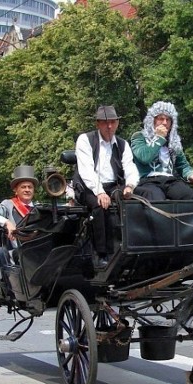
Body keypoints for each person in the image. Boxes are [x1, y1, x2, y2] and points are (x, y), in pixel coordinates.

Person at [74, 105, 139, 268]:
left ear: (117, 123)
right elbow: (86, 170)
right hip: (87, 186)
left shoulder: (123, 144)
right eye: (105, 123)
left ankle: (131, 248)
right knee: (99, 205)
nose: (109, 126)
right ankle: (103, 254)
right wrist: (100, 193)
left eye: (112, 122)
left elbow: (130, 167)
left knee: (132, 202)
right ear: (98, 124)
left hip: (113, 185)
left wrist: (130, 186)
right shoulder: (85, 140)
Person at [131, 101, 193, 201]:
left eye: (168, 119)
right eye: (161, 119)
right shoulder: (139, 137)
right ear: (152, 120)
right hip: (148, 181)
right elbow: (144, 158)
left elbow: (182, 164)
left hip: (170, 181)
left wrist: (190, 174)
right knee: (157, 200)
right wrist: (159, 138)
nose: (165, 123)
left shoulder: (173, 141)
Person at [0, 165, 38, 244]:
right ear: (16, 190)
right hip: (17, 251)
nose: (27, 190)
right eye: (23, 187)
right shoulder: (8, 205)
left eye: (30, 187)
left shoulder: (39, 208)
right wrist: (7, 222)